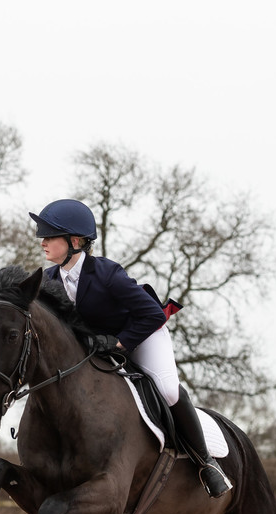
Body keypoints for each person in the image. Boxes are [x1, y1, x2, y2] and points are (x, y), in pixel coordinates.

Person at [29, 198, 232, 498]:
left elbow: (150, 314)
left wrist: (120, 342)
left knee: (168, 390)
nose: (42, 242)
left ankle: (206, 463)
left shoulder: (107, 274)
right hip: (100, 347)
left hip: (143, 335)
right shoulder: (48, 280)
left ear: (75, 241)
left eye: (49, 236)